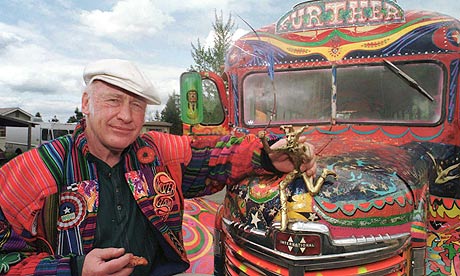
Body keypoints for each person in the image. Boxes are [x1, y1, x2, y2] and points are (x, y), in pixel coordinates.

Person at [0, 59, 317, 276]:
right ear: (86, 104)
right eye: (113, 101)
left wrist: (270, 153)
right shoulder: (34, 170)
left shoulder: (159, 152)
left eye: (136, 105)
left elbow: (220, 154)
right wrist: (74, 269)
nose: (126, 116)